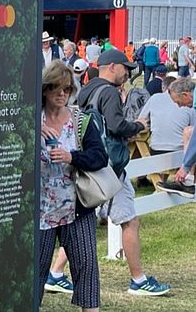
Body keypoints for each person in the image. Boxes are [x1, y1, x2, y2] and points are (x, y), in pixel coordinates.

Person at [76, 49, 170, 296]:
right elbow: (117, 125)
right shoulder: (108, 91)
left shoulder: (88, 90)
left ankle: (55, 273)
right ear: (112, 67)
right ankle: (138, 280)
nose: (128, 73)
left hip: (94, 164)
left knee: (83, 219)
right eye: (124, 68)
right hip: (111, 167)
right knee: (129, 219)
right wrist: (137, 125)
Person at [39, 60, 107, 311]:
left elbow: (100, 157)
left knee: (86, 266)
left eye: (67, 89)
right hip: (40, 209)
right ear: (45, 89)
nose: (62, 94)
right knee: (35, 270)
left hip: (76, 206)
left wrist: (71, 157)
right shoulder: (31, 117)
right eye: (56, 88)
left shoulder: (81, 119)